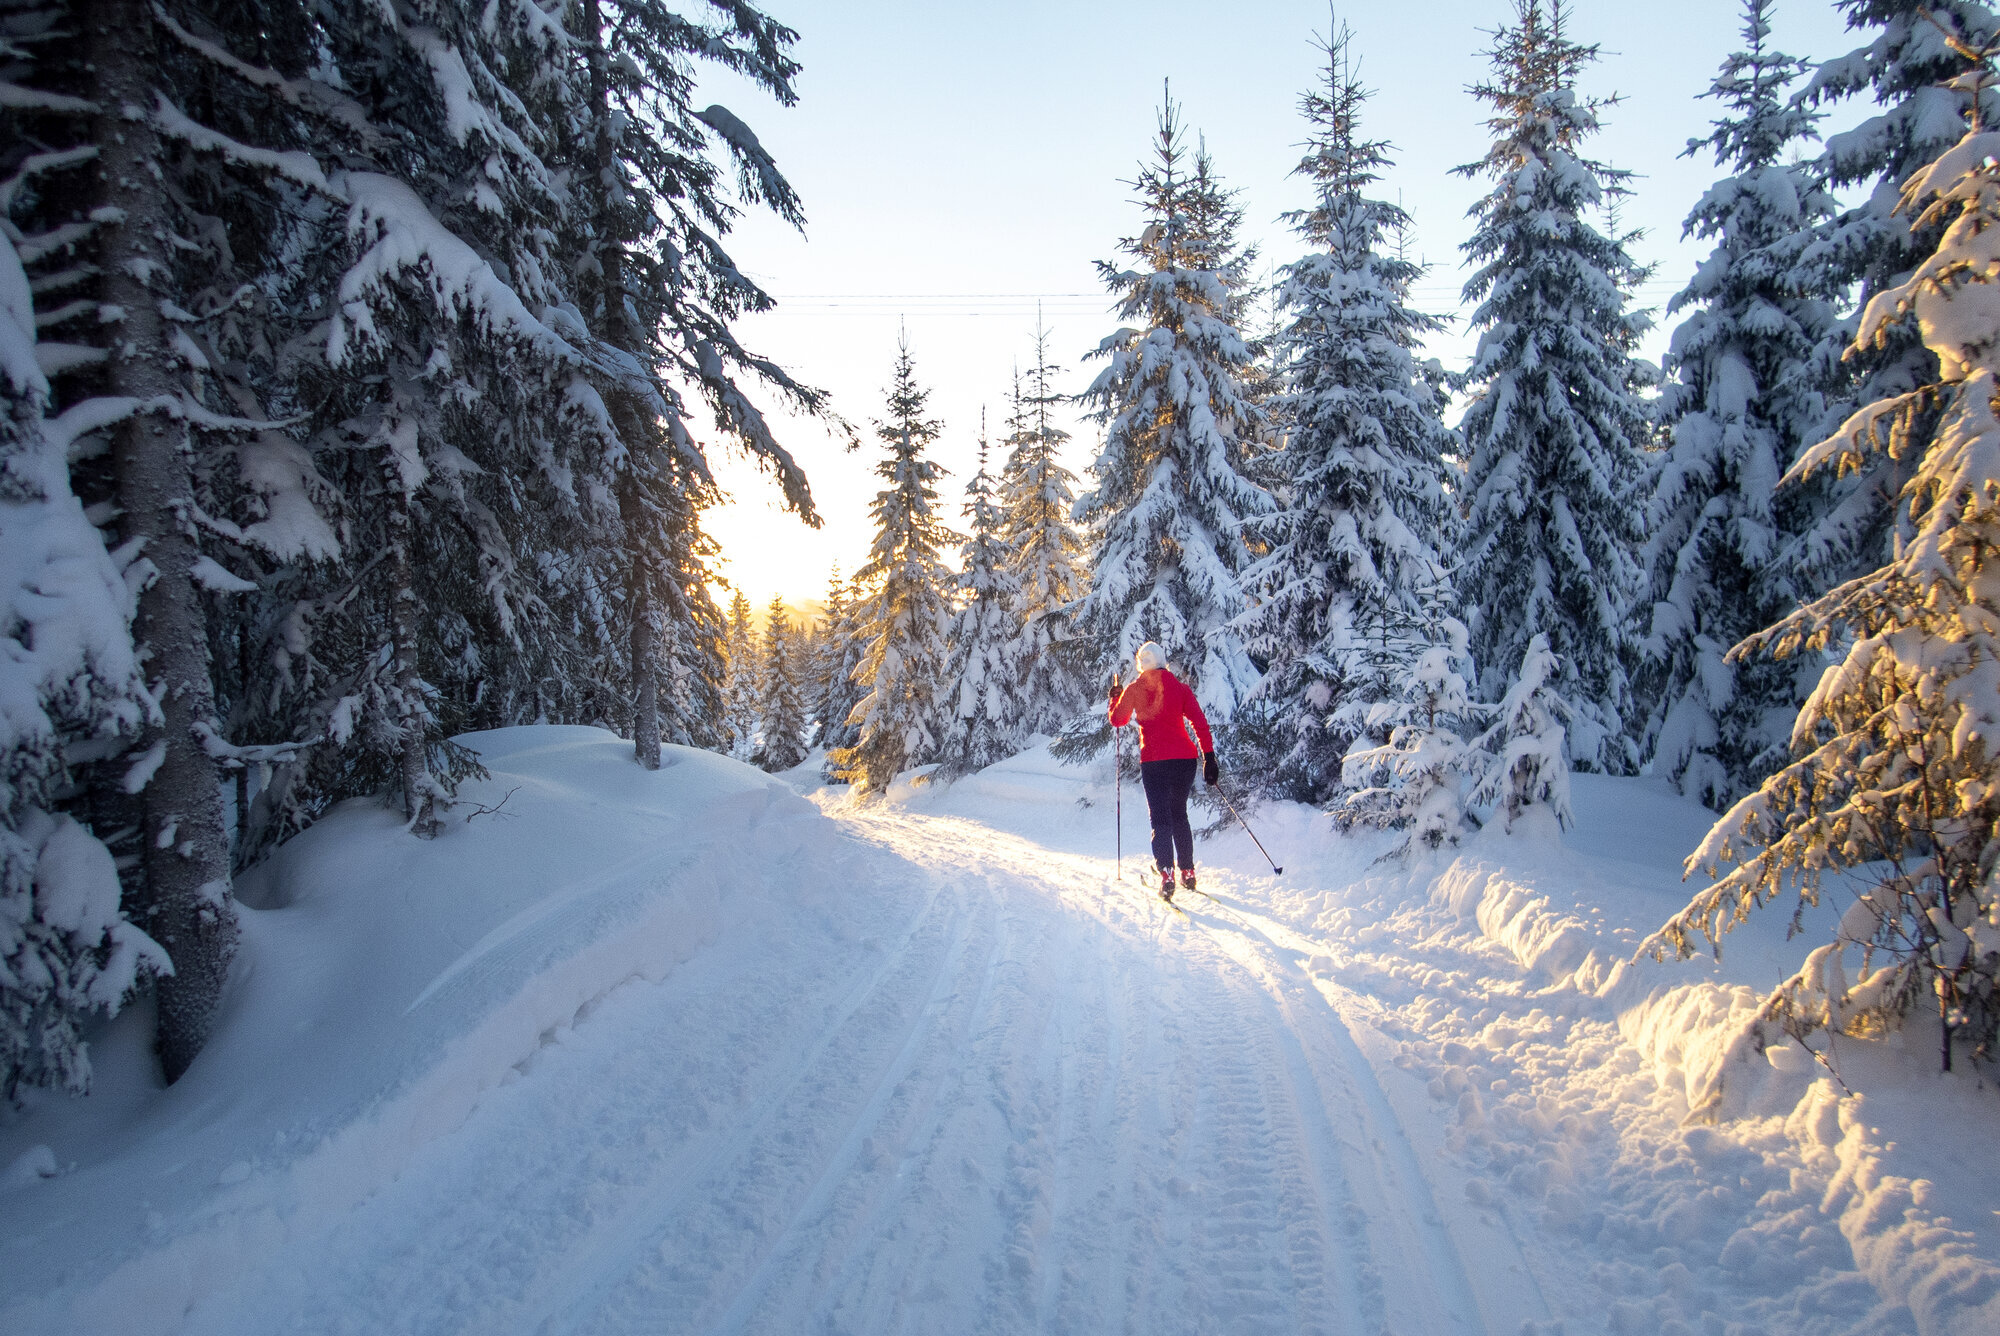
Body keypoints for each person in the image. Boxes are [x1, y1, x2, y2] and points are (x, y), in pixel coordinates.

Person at [1108, 642, 1220, 902]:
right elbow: (1199, 722)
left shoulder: (1135, 689)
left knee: (1160, 818)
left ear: (1141, 664)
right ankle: (1188, 872)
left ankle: (1167, 874)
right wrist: (1209, 757)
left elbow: (1118, 720)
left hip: (1154, 761)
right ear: (1162, 660)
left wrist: (1115, 697)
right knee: (1179, 813)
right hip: (1184, 760)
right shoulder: (1179, 688)